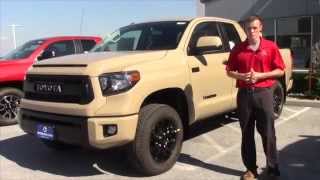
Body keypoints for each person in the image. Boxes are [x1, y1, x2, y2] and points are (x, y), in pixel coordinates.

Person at [226, 15, 285, 180]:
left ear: (260, 28)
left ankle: (272, 168)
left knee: (268, 132)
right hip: (244, 95)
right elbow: (229, 71)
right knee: (246, 133)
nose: (251, 31)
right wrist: (241, 76)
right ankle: (251, 169)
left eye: (254, 28)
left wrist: (260, 75)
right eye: (248, 28)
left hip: (264, 93)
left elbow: (280, 70)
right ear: (244, 29)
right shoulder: (238, 49)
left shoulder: (270, 47)